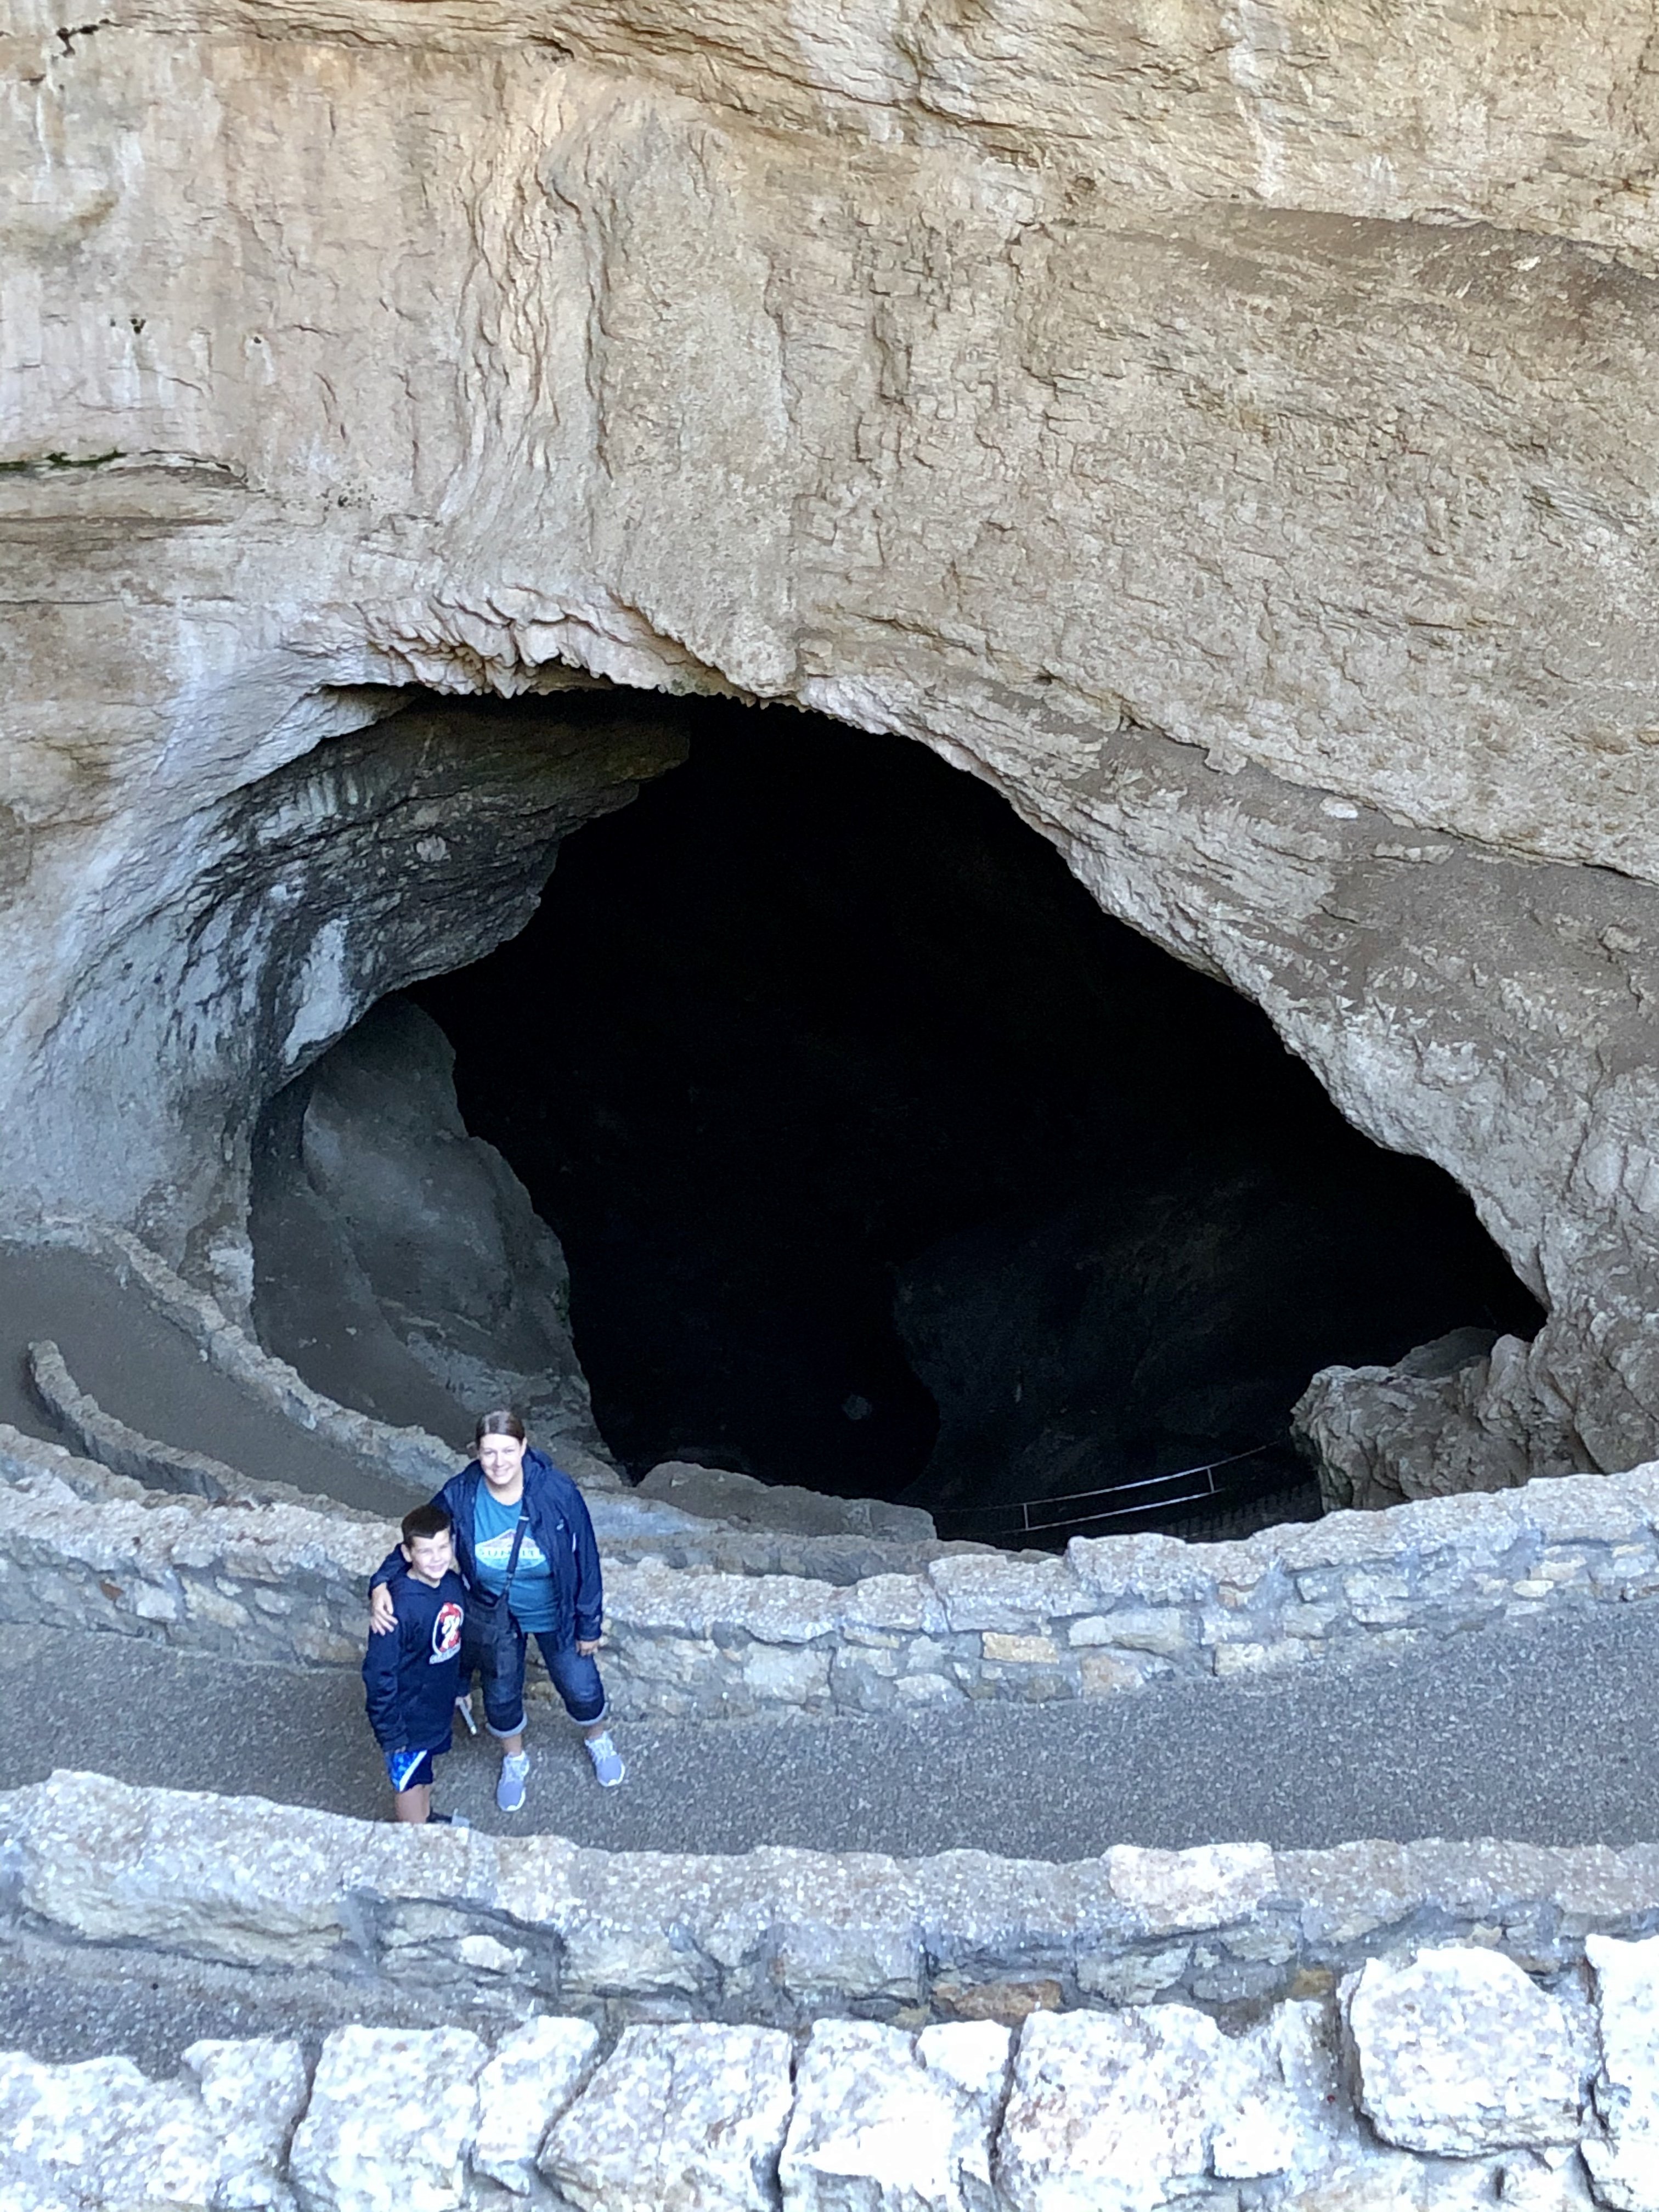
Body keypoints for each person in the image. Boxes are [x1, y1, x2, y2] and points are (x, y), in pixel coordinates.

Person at [368, 1410, 624, 1810]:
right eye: (489, 1453)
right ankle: (514, 1758)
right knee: (501, 1694)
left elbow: (586, 1557)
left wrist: (588, 1623)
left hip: (555, 1611)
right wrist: (381, 1581)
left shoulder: (555, 1491)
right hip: (494, 1613)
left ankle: (597, 1738)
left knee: (581, 1685)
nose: (499, 1462)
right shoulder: (463, 1493)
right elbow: (423, 1535)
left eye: (508, 1450)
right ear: (477, 1454)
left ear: (524, 1448)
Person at [362, 1502, 469, 1826]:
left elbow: (457, 1643)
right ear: (408, 1554)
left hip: (436, 1706)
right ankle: (414, 1839)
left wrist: (460, 1687)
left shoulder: (451, 1584)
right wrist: (392, 1734)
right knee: (408, 1781)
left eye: (443, 1548)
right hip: (408, 1718)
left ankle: (426, 1818)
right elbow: (379, 1675)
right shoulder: (396, 1610)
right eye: (426, 1551)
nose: (437, 1558)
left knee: (424, 1773)